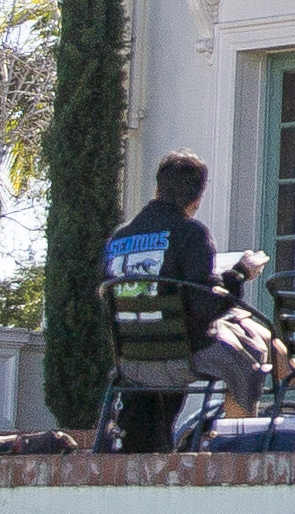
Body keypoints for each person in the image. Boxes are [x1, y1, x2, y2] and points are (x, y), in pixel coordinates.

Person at [95, 155, 227, 454]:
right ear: (196, 199)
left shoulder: (118, 237)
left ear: (157, 190)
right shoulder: (192, 233)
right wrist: (238, 276)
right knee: (251, 359)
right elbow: (205, 308)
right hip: (176, 360)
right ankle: (242, 444)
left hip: (130, 362)